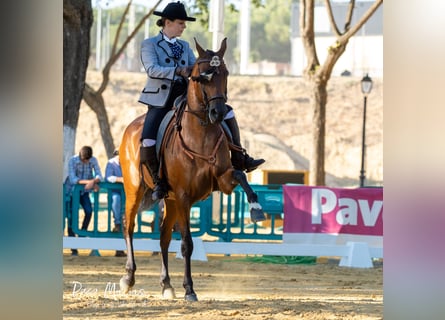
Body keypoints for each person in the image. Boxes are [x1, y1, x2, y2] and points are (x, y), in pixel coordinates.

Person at [138, 1, 265, 201]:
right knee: (147, 138)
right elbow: (152, 69)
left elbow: (194, 67)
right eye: (181, 23)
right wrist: (178, 70)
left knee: (227, 111)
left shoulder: (185, 46)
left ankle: (240, 156)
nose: (184, 27)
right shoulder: (150, 44)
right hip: (160, 99)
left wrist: (207, 69)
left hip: (184, 96)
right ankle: (158, 181)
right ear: (167, 22)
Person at [64, 146, 103, 256]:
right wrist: (90, 182)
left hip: (84, 192)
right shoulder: (73, 160)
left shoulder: (93, 160)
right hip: (71, 192)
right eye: (83, 159)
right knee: (71, 216)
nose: (85, 162)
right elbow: (73, 179)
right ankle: (73, 248)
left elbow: (100, 175)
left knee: (89, 211)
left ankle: (82, 233)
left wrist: (93, 181)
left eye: (87, 160)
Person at [105, 149, 126, 257]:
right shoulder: (111, 163)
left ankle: (121, 249)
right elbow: (108, 177)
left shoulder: (127, 162)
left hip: (126, 193)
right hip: (116, 192)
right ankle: (117, 221)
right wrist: (120, 179)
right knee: (116, 201)